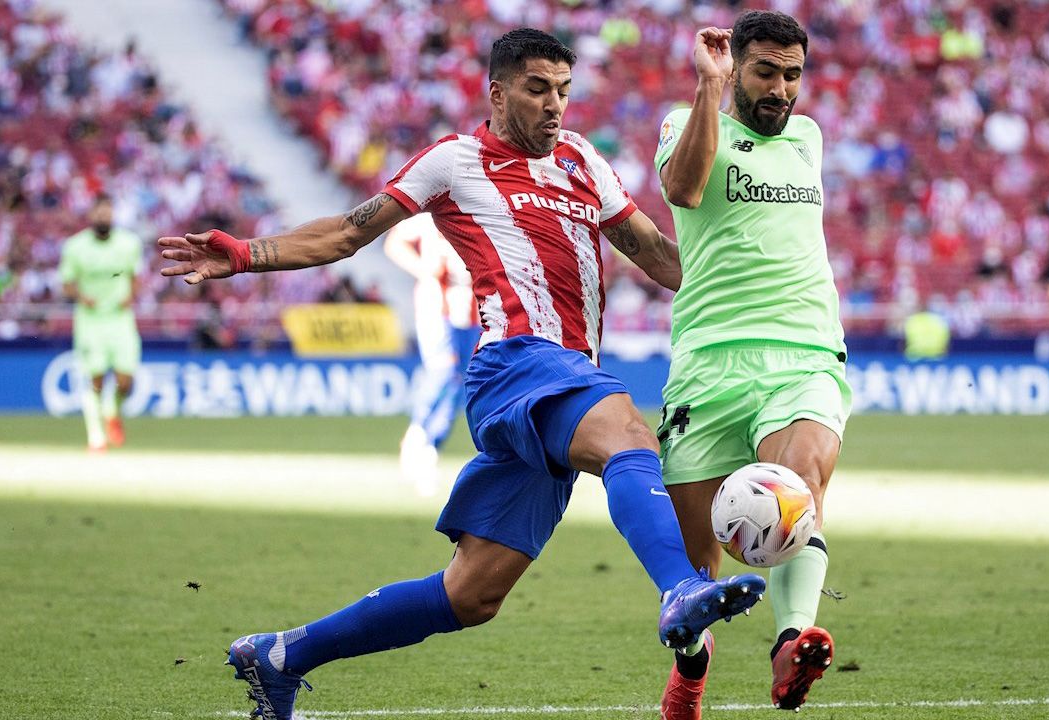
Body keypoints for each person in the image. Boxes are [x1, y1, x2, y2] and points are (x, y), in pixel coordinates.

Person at [158, 29, 766, 719]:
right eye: (537, 89)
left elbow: (658, 257)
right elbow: (348, 233)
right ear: (497, 91)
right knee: (630, 437)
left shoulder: (582, 162)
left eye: (563, 90)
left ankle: (280, 657)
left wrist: (754, 285)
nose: (554, 105)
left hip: (562, 379)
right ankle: (679, 589)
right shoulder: (455, 161)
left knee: (471, 596)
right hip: (515, 364)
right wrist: (245, 253)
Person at [652, 12, 850, 717]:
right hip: (708, 362)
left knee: (798, 485)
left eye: (793, 74)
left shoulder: (809, 137)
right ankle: (691, 667)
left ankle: (792, 639)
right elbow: (683, 190)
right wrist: (709, 90)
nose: (782, 89)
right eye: (766, 72)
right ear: (734, 67)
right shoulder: (685, 122)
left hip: (803, 349)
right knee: (695, 568)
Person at [384, 213, 481, 496]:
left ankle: (429, 448)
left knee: (461, 382)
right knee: (442, 370)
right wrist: (422, 269)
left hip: (473, 312)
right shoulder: (430, 217)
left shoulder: (480, 210)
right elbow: (394, 243)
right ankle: (417, 434)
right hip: (436, 309)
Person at [58, 194, 143, 452]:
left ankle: (112, 410)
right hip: (90, 321)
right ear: (91, 215)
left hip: (120, 319)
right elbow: (68, 283)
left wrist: (131, 296)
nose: (103, 217)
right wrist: (82, 297)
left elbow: (136, 276)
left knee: (125, 379)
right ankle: (96, 437)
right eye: (99, 213)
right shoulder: (75, 247)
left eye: (107, 213)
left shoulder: (129, 244)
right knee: (95, 378)